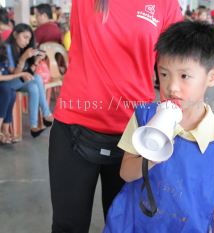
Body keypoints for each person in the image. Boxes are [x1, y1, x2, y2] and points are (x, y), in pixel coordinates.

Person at [103, 21, 214, 233]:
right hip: (139, 223)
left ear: (213, 77)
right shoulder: (144, 118)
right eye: (164, 74)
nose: (171, 87)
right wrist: (151, 156)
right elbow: (126, 173)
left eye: (184, 76)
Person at [48, 0, 182, 232]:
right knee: (68, 226)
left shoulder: (165, 3)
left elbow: (176, 63)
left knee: (124, 226)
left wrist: (171, 112)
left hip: (135, 134)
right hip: (73, 126)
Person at [5, 23, 53, 137]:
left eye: (29, 39)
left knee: (33, 86)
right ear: (15, 34)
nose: (27, 42)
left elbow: (28, 74)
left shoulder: (23, 49)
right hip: (6, 82)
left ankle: (33, 127)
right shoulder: (7, 48)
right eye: (25, 37)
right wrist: (23, 58)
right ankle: (47, 114)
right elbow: (14, 75)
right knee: (36, 78)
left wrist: (36, 61)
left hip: (18, 82)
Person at [0, 42, 33, 144]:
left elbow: (11, 71)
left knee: (11, 91)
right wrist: (22, 74)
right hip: (2, 84)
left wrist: (32, 62)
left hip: (4, 84)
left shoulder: (4, 50)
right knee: (6, 89)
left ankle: (5, 130)